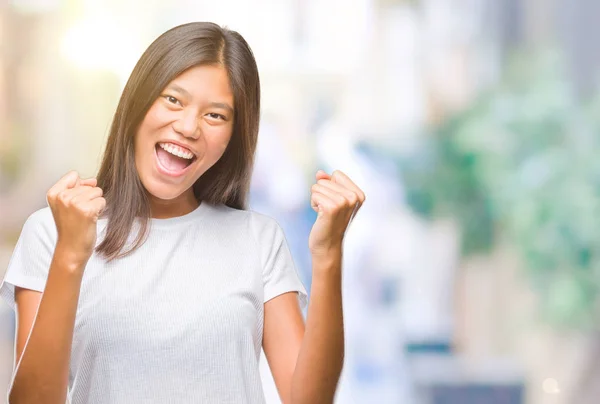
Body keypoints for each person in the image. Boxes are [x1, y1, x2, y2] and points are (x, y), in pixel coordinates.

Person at [0, 22, 365, 404]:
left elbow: (309, 400)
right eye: (173, 100)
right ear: (137, 104)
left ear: (232, 137)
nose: (188, 127)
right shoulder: (53, 231)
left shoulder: (259, 239)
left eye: (216, 116)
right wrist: (70, 257)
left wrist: (328, 255)